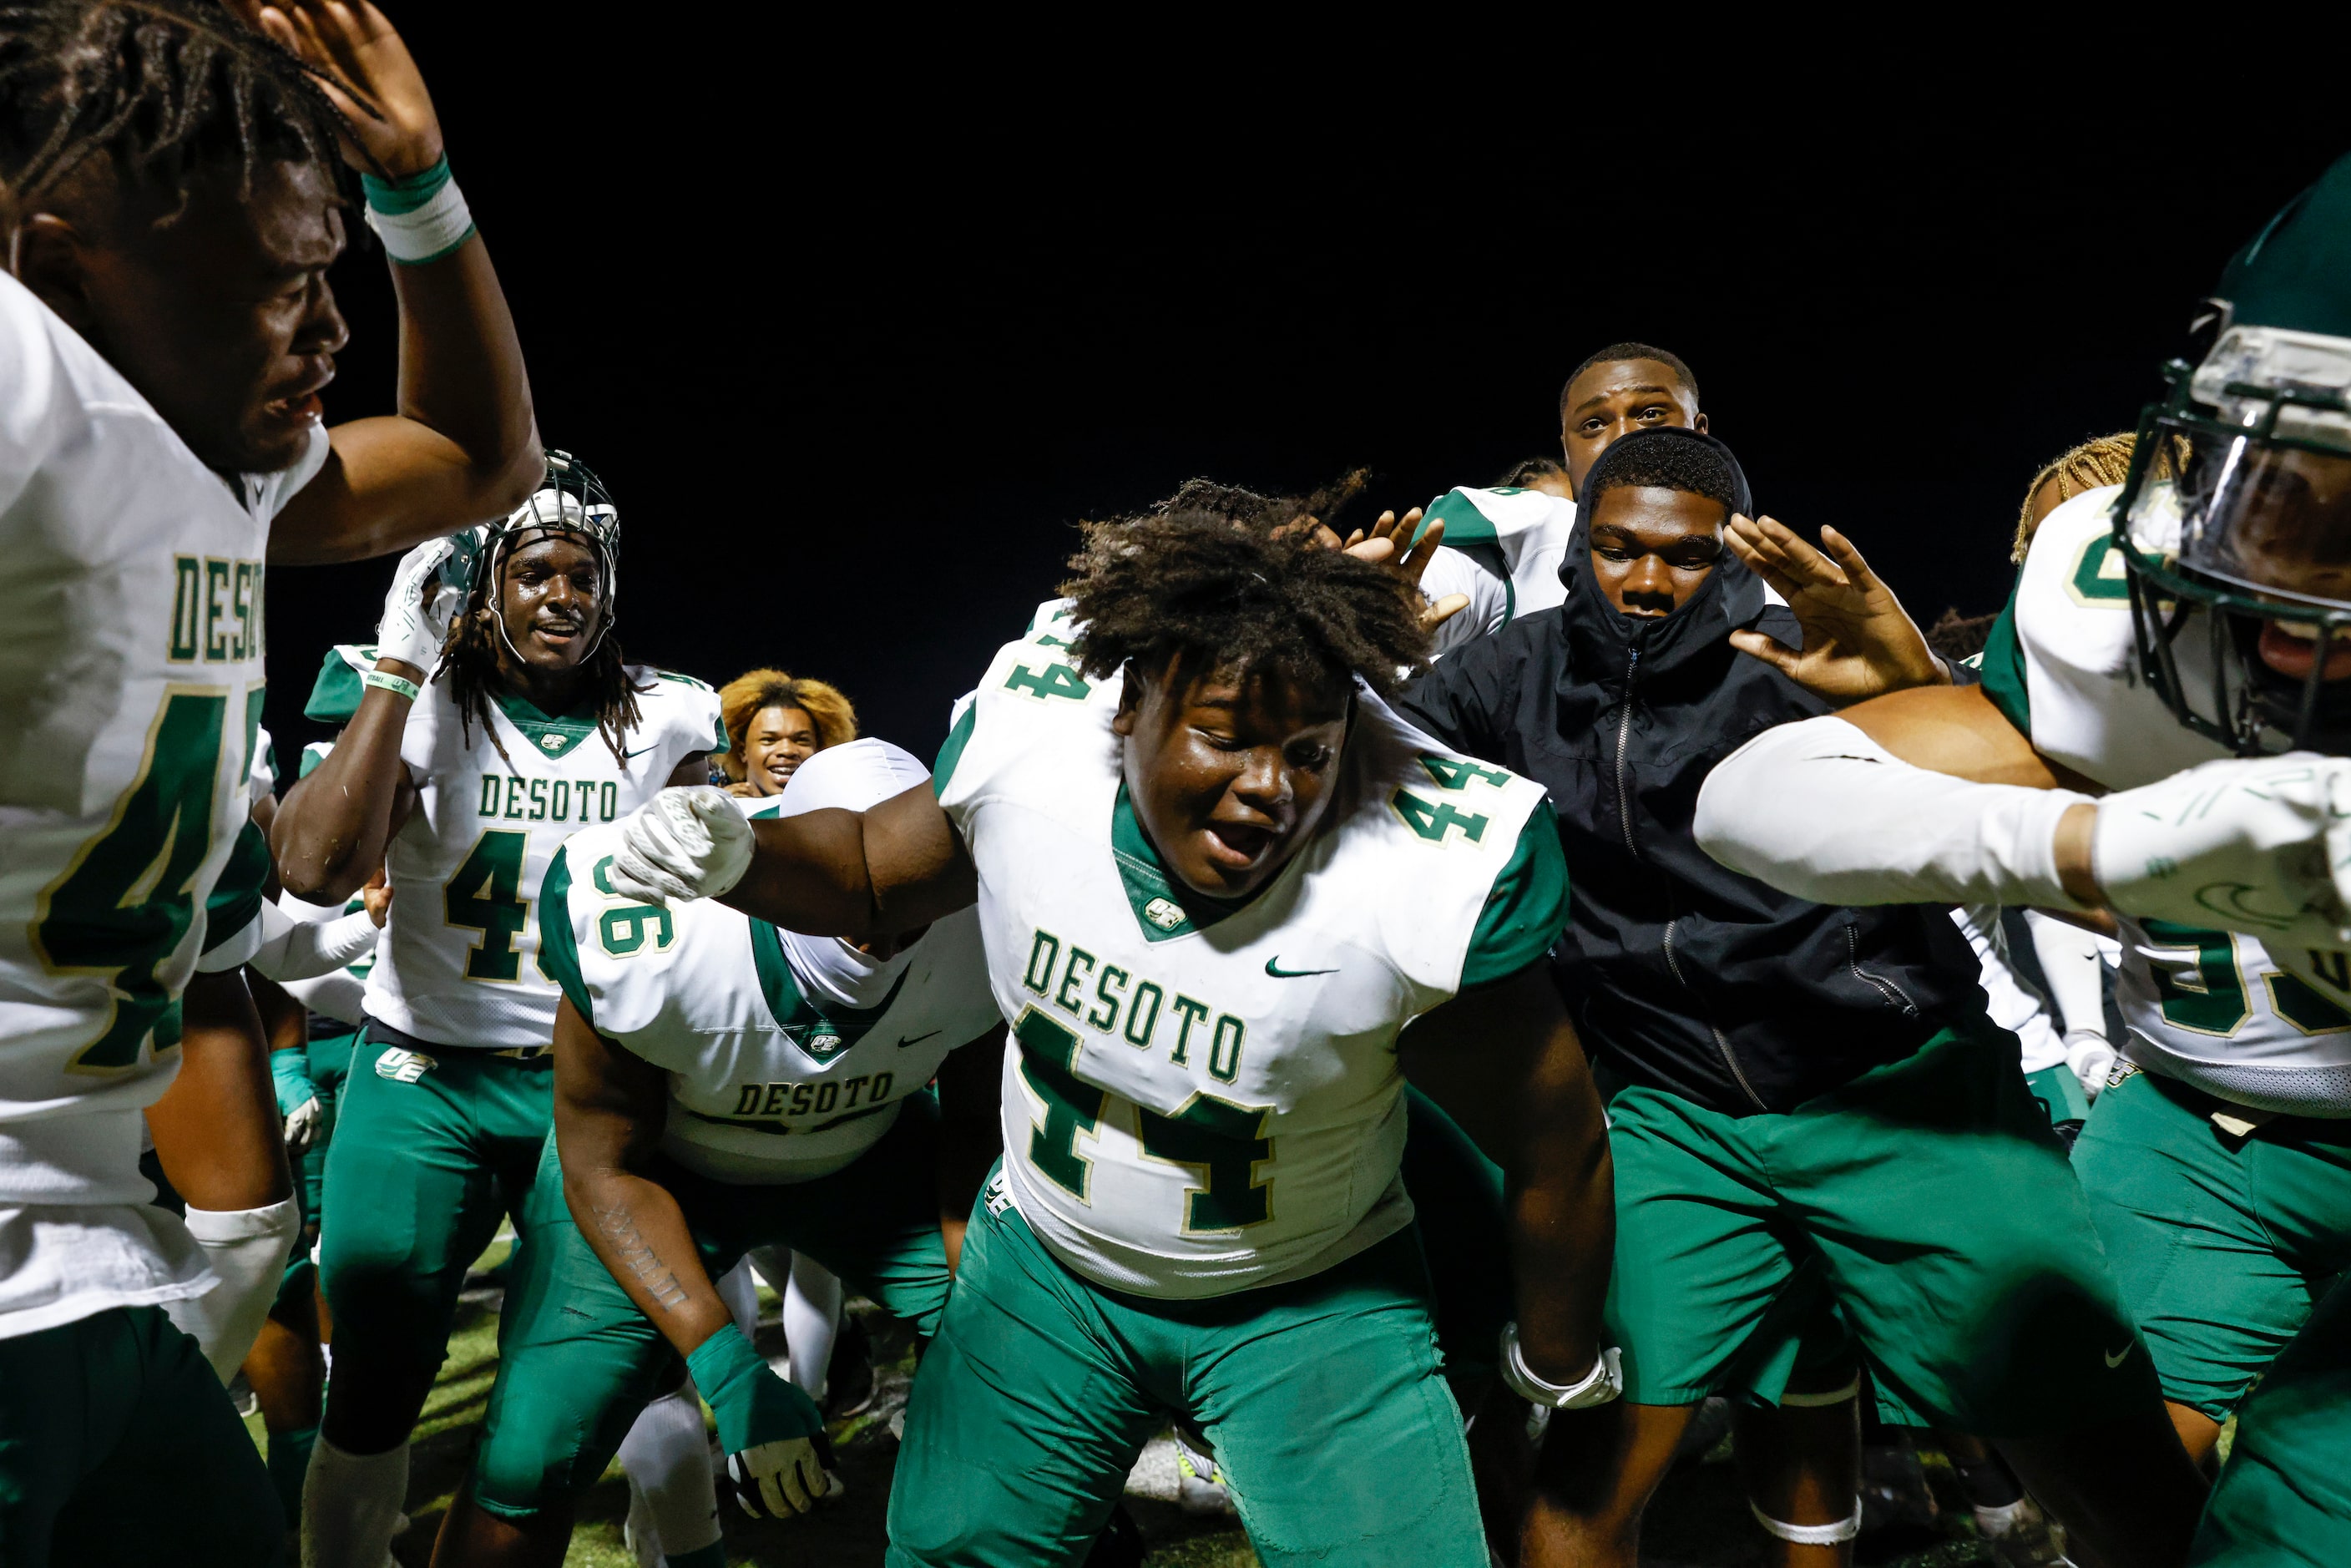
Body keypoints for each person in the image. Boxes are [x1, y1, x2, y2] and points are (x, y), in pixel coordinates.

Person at [600, 486, 1618, 1567]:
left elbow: (1553, 1138)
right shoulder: (1037, 748)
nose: (1267, 787)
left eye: (1312, 751)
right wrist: (740, 857)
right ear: (1126, 705)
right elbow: (866, 873)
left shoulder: (1425, 854)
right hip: (1048, 1269)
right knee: (953, 1552)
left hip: (1311, 1293)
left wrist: (1559, 1359)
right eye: (1223, 737)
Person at [1694, 152, 2351, 1564]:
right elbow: (1753, 798)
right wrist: (2094, 836)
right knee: (2126, 1510)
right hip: (2203, 1130)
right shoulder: (2118, 620)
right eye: (2279, 487)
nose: (2287, 579)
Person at [1399, 424, 2195, 1568]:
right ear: (1579, 546)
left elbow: (2019, 805)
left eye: (1680, 556)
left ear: (1727, 558)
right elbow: (1361, 764)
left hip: (1893, 1092)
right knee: (1579, 1489)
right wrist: (1353, 649)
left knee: (2102, 1468)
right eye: (1616, 547)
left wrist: (1912, 680)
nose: (1643, 578)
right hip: (1680, 1119)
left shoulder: (1796, 658)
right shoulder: (1510, 671)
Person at [0, 0, 538, 1559]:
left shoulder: (205, 463)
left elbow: (469, 448)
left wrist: (417, 192)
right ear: (56, 269)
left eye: (329, 273)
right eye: (279, 282)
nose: (330, 325)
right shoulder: (35, 398)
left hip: (91, 1257)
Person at [271, 453, 721, 1568]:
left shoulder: (670, 715)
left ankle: (685, 1547)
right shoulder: (416, 699)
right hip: (424, 1075)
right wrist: (396, 662)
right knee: (375, 1368)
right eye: (532, 571)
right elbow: (318, 867)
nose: (560, 596)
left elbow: (712, 908)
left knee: (622, 1353)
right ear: (483, 585)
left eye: (582, 574)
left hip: (594, 1082)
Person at [432, 738, 1005, 1568]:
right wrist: (726, 1367)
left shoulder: (995, 915)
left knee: (1029, 1373)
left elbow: (972, 1136)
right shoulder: (656, 918)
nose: (879, 934)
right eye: (848, 896)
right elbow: (604, 1166)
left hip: (871, 1155)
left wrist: (978, 1317)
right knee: (529, 1457)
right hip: (665, 1166)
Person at [1418, 341, 1708, 654]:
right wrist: (1393, 601)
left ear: (1699, 431)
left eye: (1650, 414)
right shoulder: (1534, 533)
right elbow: (1438, 586)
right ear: (1567, 453)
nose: (1624, 438)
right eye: (1594, 424)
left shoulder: (1760, 578)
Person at [718, 668, 858, 797]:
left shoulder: (841, 817)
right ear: (742, 751)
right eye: (769, 740)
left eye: (801, 740)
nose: (786, 750)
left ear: (819, 749)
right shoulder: (712, 817)